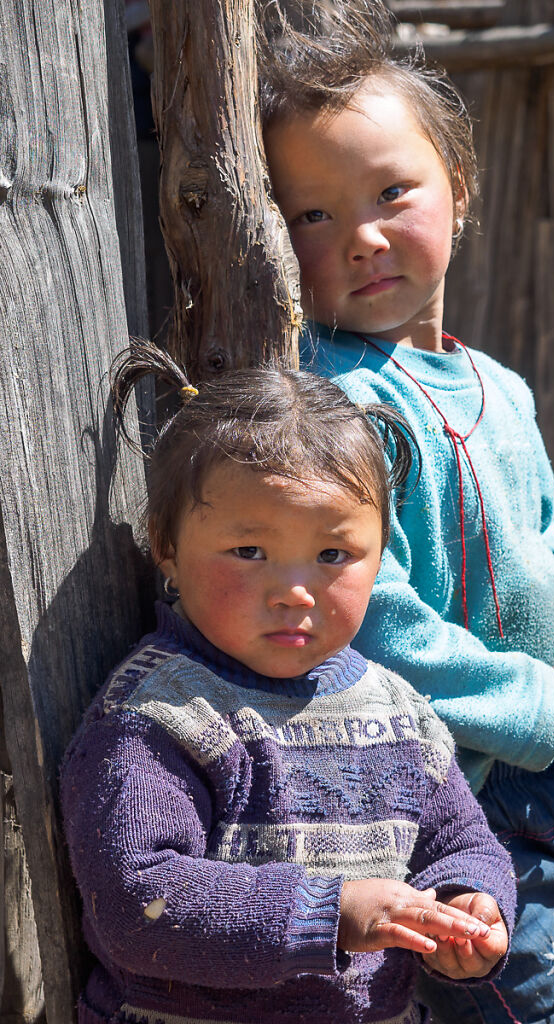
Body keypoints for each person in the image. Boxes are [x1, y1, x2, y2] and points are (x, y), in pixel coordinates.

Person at [258, 3, 554, 1022]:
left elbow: (541, 547)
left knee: (552, 960)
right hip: (447, 802)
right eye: (311, 213)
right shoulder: (333, 407)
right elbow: (369, 620)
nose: (362, 236)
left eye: (393, 189)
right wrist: (542, 696)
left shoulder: (501, 387)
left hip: (544, 779)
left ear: (461, 189)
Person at [60, 342, 517, 1024]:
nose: (295, 592)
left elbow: (461, 843)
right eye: (250, 552)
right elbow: (136, 901)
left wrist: (468, 901)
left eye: (333, 554)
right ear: (166, 546)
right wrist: (327, 915)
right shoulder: (161, 712)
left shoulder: (398, 711)